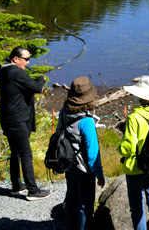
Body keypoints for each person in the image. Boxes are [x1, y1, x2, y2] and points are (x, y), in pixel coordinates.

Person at [0, 46, 50, 201]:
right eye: (26, 59)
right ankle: (33, 191)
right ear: (15, 59)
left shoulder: (4, 71)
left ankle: (16, 186)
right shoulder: (17, 73)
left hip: (7, 118)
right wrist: (41, 79)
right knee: (26, 154)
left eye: (29, 59)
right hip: (18, 119)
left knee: (16, 152)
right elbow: (37, 88)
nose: (28, 63)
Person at [118, 75, 149, 230]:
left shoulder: (134, 117)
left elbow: (129, 147)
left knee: (137, 205)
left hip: (136, 167)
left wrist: (120, 149)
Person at [57, 76, 106, 230]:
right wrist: (99, 175)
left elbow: (59, 134)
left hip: (68, 163)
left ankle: (69, 226)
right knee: (86, 204)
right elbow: (92, 154)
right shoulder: (87, 122)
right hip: (84, 168)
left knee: (71, 198)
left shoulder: (63, 112)